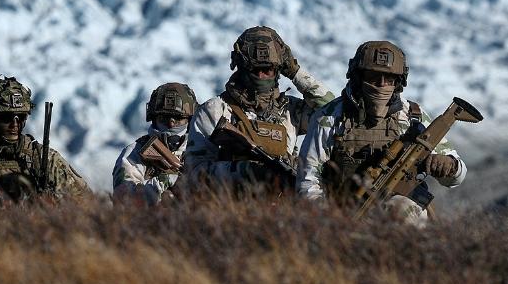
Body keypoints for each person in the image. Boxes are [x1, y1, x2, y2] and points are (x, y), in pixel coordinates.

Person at [297, 41, 466, 223]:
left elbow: (457, 178)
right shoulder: (330, 118)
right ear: (358, 77)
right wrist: (330, 222)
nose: (381, 85)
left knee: (403, 209)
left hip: (403, 217)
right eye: (373, 77)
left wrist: (449, 166)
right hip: (345, 215)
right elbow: (309, 182)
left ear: (398, 82)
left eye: (389, 79)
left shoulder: (412, 117)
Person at [183, 26, 334, 194]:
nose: (261, 76)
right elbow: (194, 173)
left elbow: (331, 111)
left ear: (278, 70)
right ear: (241, 68)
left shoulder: (291, 110)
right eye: (255, 70)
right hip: (229, 209)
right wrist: (244, 171)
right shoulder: (215, 110)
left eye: (267, 70)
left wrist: (295, 71)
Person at [113, 82, 197, 205]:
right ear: (153, 118)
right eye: (164, 118)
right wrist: (165, 181)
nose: (171, 124)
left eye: (178, 118)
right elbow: (124, 202)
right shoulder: (134, 153)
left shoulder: (200, 149)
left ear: (189, 120)